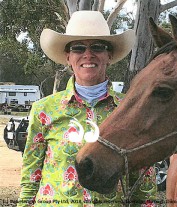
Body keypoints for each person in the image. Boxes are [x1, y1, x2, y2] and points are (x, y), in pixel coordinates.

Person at [18, 11, 157, 207]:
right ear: (68, 57)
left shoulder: (131, 110)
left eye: (97, 47)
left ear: (109, 55)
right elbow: (31, 180)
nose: (88, 54)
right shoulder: (44, 111)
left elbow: (144, 186)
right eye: (78, 48)